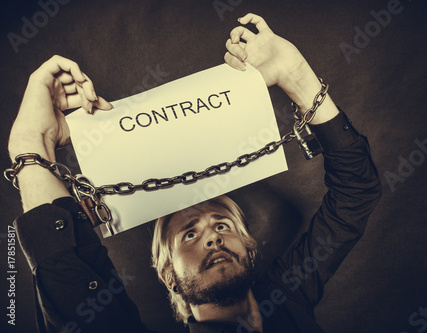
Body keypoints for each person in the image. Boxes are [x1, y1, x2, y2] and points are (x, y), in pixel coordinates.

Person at [8, 13, 381, 333]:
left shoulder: (290, 297)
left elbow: (355, 197)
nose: (213, 238)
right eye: (189, 233)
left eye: (222, 225)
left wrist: (296, 75)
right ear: (168, 274)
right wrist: (33, 141)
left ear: (249, 245)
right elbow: (71, 292)